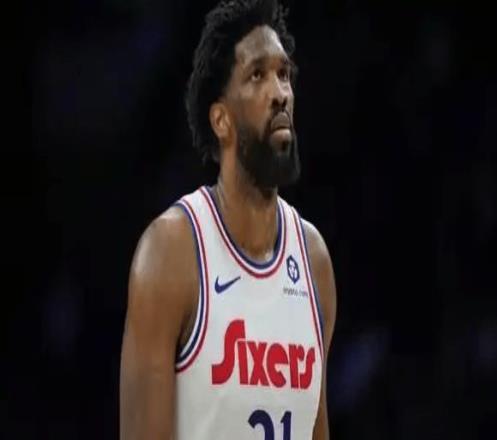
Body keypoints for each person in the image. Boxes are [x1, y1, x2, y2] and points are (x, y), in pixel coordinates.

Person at [119, 0, 337, 438]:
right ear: (221, 120)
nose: (280, 92)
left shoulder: (313, 260)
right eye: (258, 75)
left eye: (284, 74)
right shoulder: (171, 251)